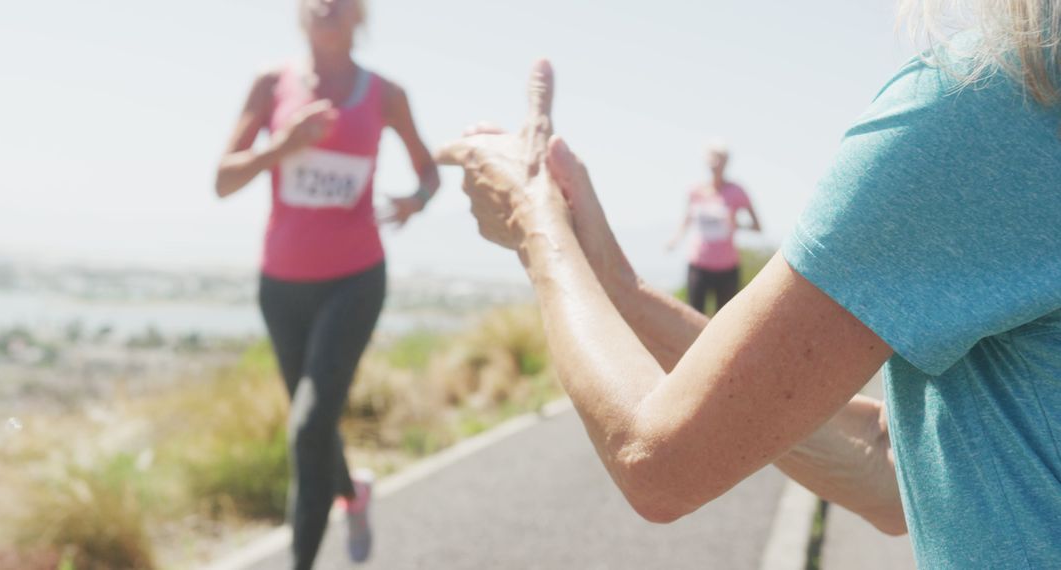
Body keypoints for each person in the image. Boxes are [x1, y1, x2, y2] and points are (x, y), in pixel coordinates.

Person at [435, 2, 1060, 567]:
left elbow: (657, 464)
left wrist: (534, 222)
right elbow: (895, 466)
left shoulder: (991, 99)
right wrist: (614, 285)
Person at [214, 0, 439, 567]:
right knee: (310, 424)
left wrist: (416, 200)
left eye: (342, 1)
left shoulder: (387, 93)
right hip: (281, 286)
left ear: (360, 16)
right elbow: (222, 180)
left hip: (355, 279)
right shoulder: (271, 84)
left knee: (310, 425)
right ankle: (352, 493)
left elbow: (428, 170)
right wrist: (281, 146)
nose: (327, 7)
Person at [667, 143, 761, 315]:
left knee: (726, 318)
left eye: (720, 158)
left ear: (726, 162)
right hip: (699, 264)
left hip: (727, 266)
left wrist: (737, 224)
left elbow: (758, 227)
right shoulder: (694, 191)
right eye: (713, 158)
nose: (716, 163)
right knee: (693, 316)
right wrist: (674, 240)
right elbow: (686, 220)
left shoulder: (737, 191)